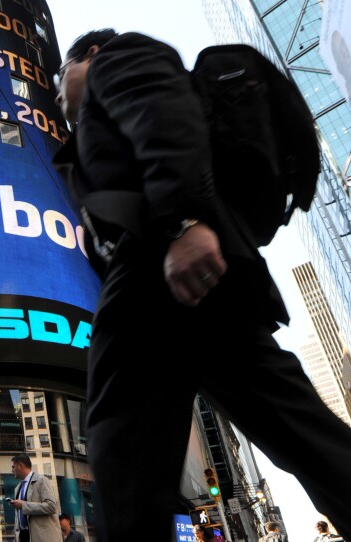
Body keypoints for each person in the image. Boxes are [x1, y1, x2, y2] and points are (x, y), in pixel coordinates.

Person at [52, 27, 351, 542]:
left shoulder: (119, 60)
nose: (58, 97)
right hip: (191, 277)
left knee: (120, 437)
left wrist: (182, 221)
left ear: (91, 56)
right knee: (298, 430)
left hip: (159, 261)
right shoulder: (88, 141)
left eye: (61, 78)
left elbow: (164, 116)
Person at [7, 454, 61, 542]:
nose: (12, 470)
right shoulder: (18, 488)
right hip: (24, 537)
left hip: (42, 538)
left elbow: (51, 507)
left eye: (13, 467)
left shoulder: (42, 480)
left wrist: (24, 505)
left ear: (21, 465)